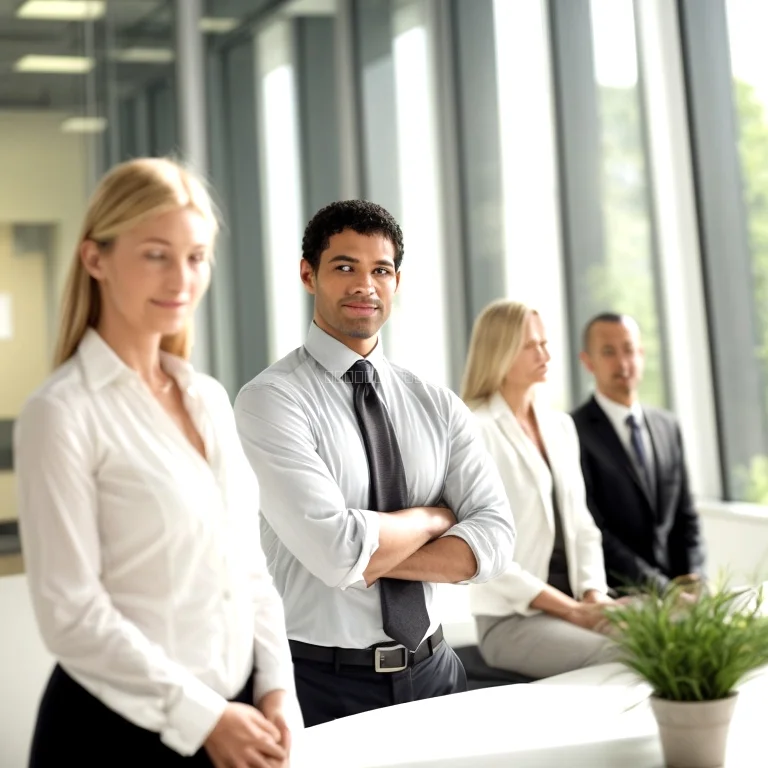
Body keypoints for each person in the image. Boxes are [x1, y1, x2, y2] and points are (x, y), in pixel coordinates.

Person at [14, 158, 300, 767]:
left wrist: (277, 686)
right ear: (96, 259)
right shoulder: (62, 412)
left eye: (196, 257)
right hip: (116, 736)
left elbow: (250, 569)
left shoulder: (210, 400)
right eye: (155, 254)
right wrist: (207, 717)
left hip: (238, 721)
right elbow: (71, 614)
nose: (181, 278)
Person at [233, 200, 515, 727]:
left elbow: (496, 540)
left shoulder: (437, 404)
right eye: (345, 267)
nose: (365, 284)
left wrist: (364, 555)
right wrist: (435, 518)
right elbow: (334, 551)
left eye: (379, 270)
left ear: (396, 281)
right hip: (321, 686)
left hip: (436, 674)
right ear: (307, 274)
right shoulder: (270, 400)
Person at [462, 300, 620, 679]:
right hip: (512, 620)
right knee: (621, 654)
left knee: (667, 636)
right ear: (499, 352)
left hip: (580, 601)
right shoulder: (475, 430)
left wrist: (595, 597)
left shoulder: (560, 426)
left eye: (545, 343)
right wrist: (573, 611)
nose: (545, 353)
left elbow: (583, 527)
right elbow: (484, 553)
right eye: (531, 345)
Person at [572, 312, 706, 592]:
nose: (623, 363)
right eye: (608, 352)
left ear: (641, 354)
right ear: (587, 361)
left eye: (630, 350)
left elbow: (686, 517)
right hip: (619, 593)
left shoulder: (668, 426)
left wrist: (693, 579)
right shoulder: (572, 431)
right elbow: (595, 530)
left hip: (679, 592)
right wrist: (662, 590)